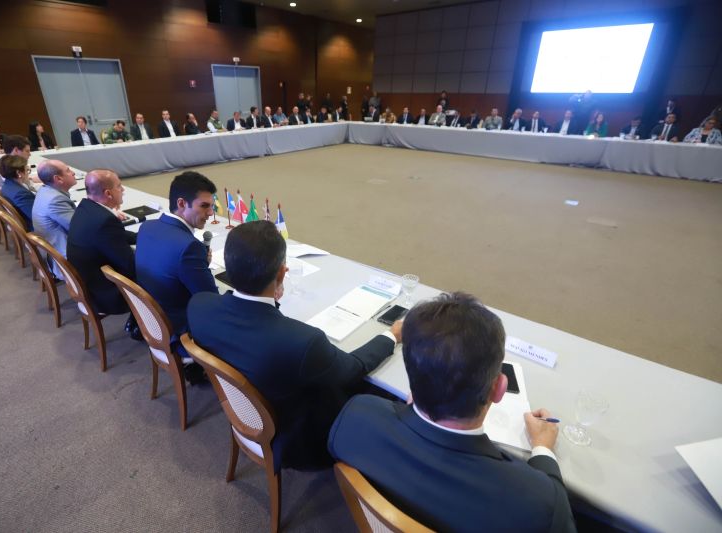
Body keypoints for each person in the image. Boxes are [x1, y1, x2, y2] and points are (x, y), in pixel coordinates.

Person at [329, 292, 576, 532]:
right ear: (499, 389)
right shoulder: (537, 503)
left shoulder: (355, 415)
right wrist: (543, 448)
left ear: (412, 376)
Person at [187, 221, 399, 470]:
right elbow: (352, 368)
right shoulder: (302, 341)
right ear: (281, 273)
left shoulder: (199, 307)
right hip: (299, 442)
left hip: (246, 413)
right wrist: (392, 335)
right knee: (379, 389)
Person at [136, 172, 218, 350]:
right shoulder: (190, 247)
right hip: (179, 329)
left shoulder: (147, 226)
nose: (211, 213)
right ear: (181, 203)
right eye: (204, 206)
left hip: (151, 319)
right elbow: (211, 300)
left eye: (211, 206)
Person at [67, 169, 138, 320]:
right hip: (104, 293)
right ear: (108, 193)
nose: (123, 190)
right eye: (119, 186)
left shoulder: (86, 207)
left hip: (89, 282)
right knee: (162, 277)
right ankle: (145, 325)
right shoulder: (105, 220)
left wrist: (144, 237)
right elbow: (130, 265)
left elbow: (116, 235)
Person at [31, 160, 77, 274]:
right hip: (65, 259)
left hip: (55, 248)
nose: (73, 173)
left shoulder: (45, 190)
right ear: (58, 179)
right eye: (68, 170)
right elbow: (80, 229)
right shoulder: (55, 200)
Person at [0, 155, 36, 230]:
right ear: (19, 173)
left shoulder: (7, 185)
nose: (27, 173)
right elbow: (37, 217)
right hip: (35, 227)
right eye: (27, 170)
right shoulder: (21, 194)